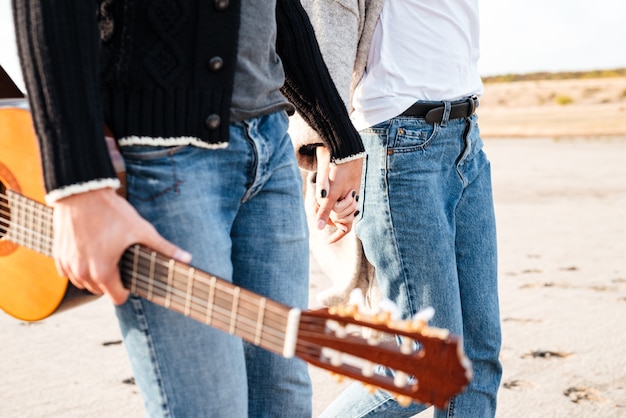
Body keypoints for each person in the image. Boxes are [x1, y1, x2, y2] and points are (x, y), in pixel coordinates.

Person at [12, 1, 364, 416]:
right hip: (162, 156)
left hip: (270, 145)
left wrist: (338, 134)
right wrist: (77, 185)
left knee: (283, 401)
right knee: (210, 407)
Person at [291, 1, 503, 416]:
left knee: (478, 359)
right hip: (397, 144)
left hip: (467, 140)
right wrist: (327, 147)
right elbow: (320, 36)